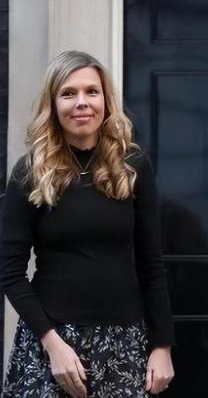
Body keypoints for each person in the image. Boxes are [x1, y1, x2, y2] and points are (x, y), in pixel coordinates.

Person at [0, 51, 175, 398]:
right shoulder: (31, 171)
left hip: (124, 339)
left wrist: (162, 345)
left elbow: (151, 263)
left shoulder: (132, 166)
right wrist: (52, 343)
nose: (82, 102)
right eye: (68, 93)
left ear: (105, 100)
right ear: (53, 104)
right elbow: (9, 271)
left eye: (91, 92)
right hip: (51, 342)